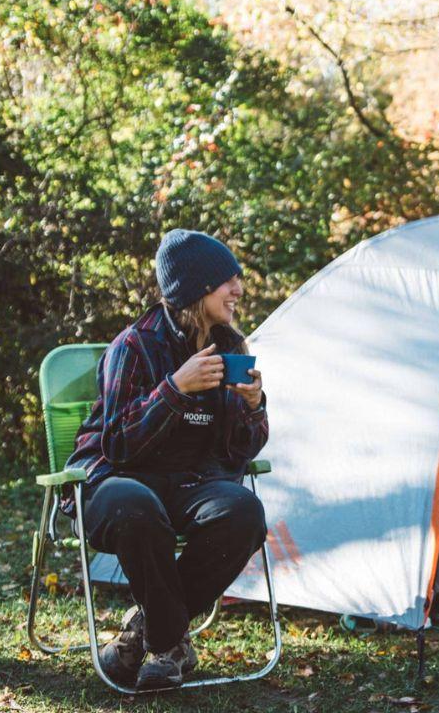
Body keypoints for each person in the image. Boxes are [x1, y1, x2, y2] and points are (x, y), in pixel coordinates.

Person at [64, 229, 269, 690]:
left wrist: (254, 406)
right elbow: (117, 443)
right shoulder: (134, 346)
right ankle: (169, 643)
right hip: (115, 483)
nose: (238, 290)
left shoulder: (229, 348)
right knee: (137, 505)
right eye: (227, 281)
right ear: (197, 288)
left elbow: (243, 449)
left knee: (244, 513)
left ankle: (148, 633)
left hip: (190, 484)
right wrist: (176, 389)